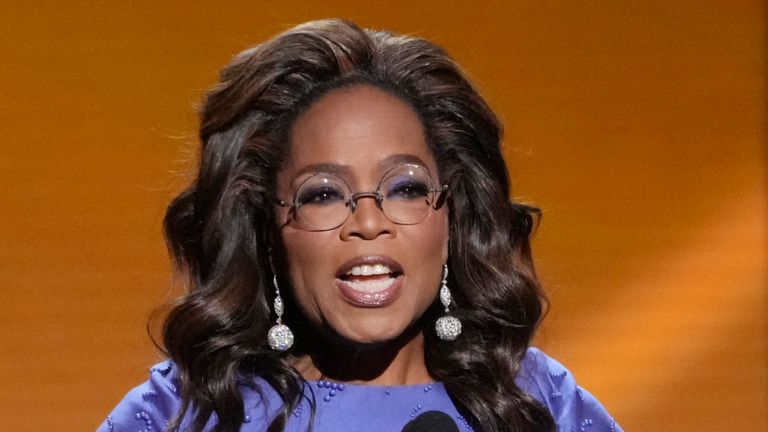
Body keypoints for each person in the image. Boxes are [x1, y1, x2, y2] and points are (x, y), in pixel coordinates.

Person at [98, 19, 621, 432]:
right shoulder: (188, 413)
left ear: (452, 215)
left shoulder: (533, 403)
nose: (368, 222)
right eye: (323, 195)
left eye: (407, 188)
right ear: (265, 226)